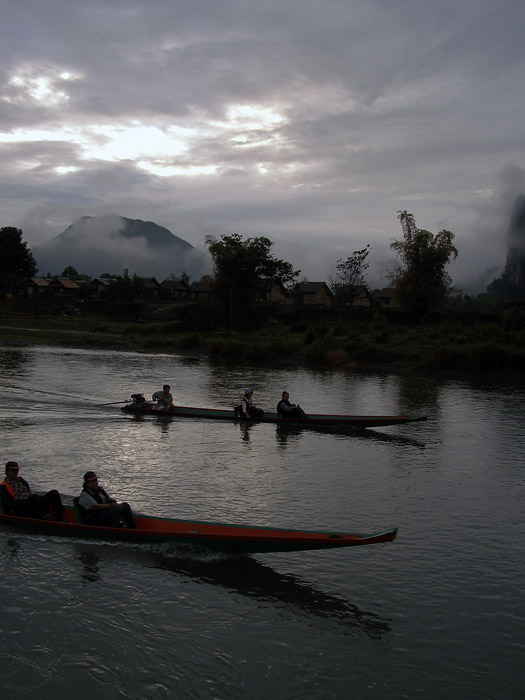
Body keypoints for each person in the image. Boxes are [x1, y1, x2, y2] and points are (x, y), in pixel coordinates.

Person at [0, 461, 65, 521]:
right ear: (7, 472)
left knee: (54, 493)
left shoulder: (21, 481)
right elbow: (8, 504)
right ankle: (40, 517)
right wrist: (26, 501)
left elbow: (29, 492)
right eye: (13, 470)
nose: (15, 472)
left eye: (17, 470)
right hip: (19, 509)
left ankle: (60, 519)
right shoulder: (3, 487)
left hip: (33, 503)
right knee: (34, 498)